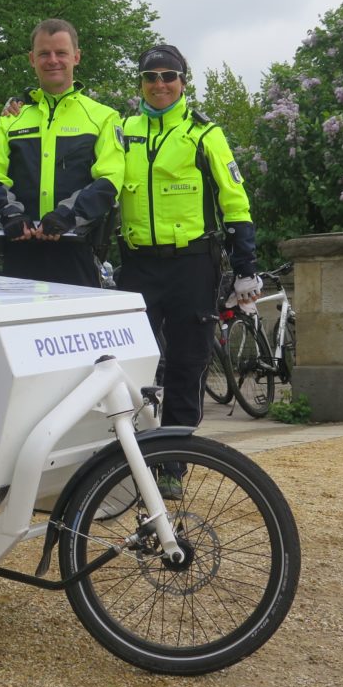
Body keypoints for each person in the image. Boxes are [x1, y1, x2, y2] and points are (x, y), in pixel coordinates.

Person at [116, 44, 262, 499]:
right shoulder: (122, 130)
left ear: (184, 81)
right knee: (127, 363)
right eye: (150, 76)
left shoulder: (205, 134)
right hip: (136, 262)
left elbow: (235, 201)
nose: (159, 84)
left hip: (192, 263)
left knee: (186, 363)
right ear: (139, 83)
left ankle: (172, 465)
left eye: (169, 76)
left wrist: (245, 269)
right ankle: (126, 457)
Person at [0, 18, 124, 287]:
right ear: (31, 59)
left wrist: (67, 216)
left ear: (77, 57)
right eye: (44, 53)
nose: (53, 60)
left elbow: (109, 181)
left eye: (61, 53)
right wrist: (9, 214)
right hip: (19, 251)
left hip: (76, 253)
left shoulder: (104, 117)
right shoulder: (12, 117)